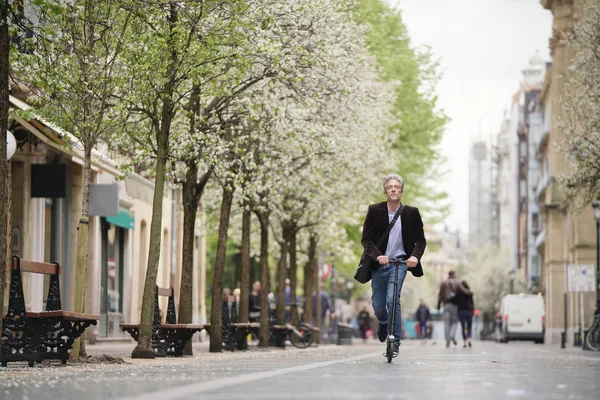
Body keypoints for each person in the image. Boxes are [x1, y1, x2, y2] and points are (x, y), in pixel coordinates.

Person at [361, 173, 427, 356]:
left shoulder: (411, 213)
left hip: (400, 264)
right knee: (379, 305)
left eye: (396, 187)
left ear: (402, 191)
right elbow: (366, 241)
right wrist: (378, 256)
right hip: (379, 265)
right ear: (385, 192)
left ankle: (394, 341)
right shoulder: (374, 210)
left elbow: (420, 242)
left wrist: (414, 257)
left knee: (393, 300)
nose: (393, 189)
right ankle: (383, 323)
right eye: (390, 187)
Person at [437, 271, 471, 347]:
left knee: (446, 323)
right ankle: (452, 334)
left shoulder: (443, 283)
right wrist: (470, 293)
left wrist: (438, 306)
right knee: (454, 322)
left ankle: (447, 341)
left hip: (445, 305)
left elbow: (440, 296)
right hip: (454, 305)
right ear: (453, 275)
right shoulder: (457, 282)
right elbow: (464, 291)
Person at [454, 280, 474, 348]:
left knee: (463, 327)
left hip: (461, 311)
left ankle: (465, 342)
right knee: (469, 326)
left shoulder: (458, 293)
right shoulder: (469, 293)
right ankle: (469, 340)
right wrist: (472, 311)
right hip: (469, 311)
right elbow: (472, 303)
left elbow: (455, 302)